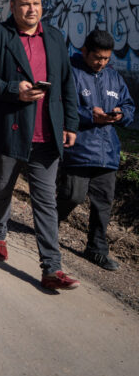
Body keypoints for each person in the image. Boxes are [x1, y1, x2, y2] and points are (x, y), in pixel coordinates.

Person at [0, 0, 80, 290]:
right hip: (10, 130)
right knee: (2, 188)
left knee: (45, 202)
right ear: (12, 6)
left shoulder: (54, 37)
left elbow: (67, 83)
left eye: (36, 3)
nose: (31, 9)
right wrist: (12, 89)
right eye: (24, 4)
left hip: (47, 133)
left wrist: (71, 123)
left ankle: (51, 268)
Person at [57, 29, 134, 271]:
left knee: (103, 204)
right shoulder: (70, 72)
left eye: (106, 58)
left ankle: (96, 250)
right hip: (78, 149)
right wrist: (89, 115)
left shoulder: (113, 77)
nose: (101, 63)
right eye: (97, 57)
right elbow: (60, 105)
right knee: (73, 195)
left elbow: (129, 106)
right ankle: (48, 225)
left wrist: (121, 114)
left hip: (107, 153)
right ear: (84, 51)